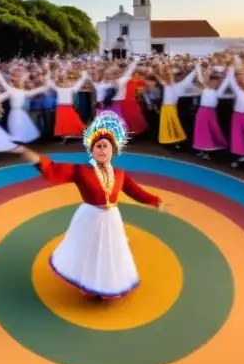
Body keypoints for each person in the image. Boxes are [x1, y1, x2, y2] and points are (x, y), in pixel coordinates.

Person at [13, 111, 163, 299]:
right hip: (90, 217)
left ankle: (107, 285)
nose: (101, 150)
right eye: (97, 146)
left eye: (105, 146)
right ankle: (90, 283)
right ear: (92, 150)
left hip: (111, 218)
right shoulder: (80, 170)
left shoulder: (120, 173)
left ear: (113, 150)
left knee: (109, 252)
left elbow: (134, 191)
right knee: (90, 251)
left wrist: (154, 200)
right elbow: (52, 168)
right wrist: (28, 154)